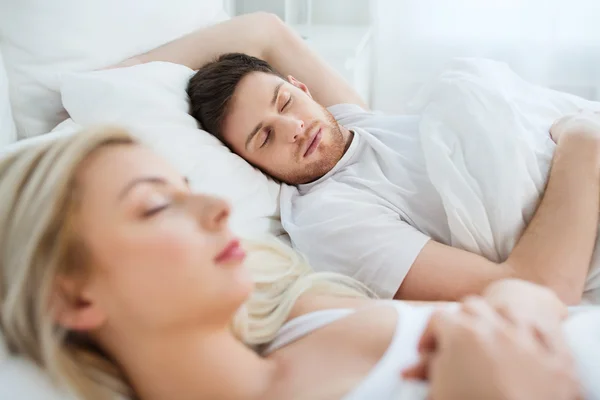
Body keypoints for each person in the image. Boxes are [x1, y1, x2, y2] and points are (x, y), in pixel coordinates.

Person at [0, 126, 586, 400]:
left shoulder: (303, 312)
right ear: (75, 298)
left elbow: (533, 296)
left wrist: (508, 309)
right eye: (155, 207)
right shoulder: (327, 219)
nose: (218, 207)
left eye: (186, 186)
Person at [127, 12, 600, 305]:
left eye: (286, 104)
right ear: (251, 165)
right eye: (264, 137)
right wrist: (582, 141)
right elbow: (536, 290)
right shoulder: (329, 214)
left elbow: (265, 31)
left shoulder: (354, 123)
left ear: (303, 89)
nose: (293, 129)